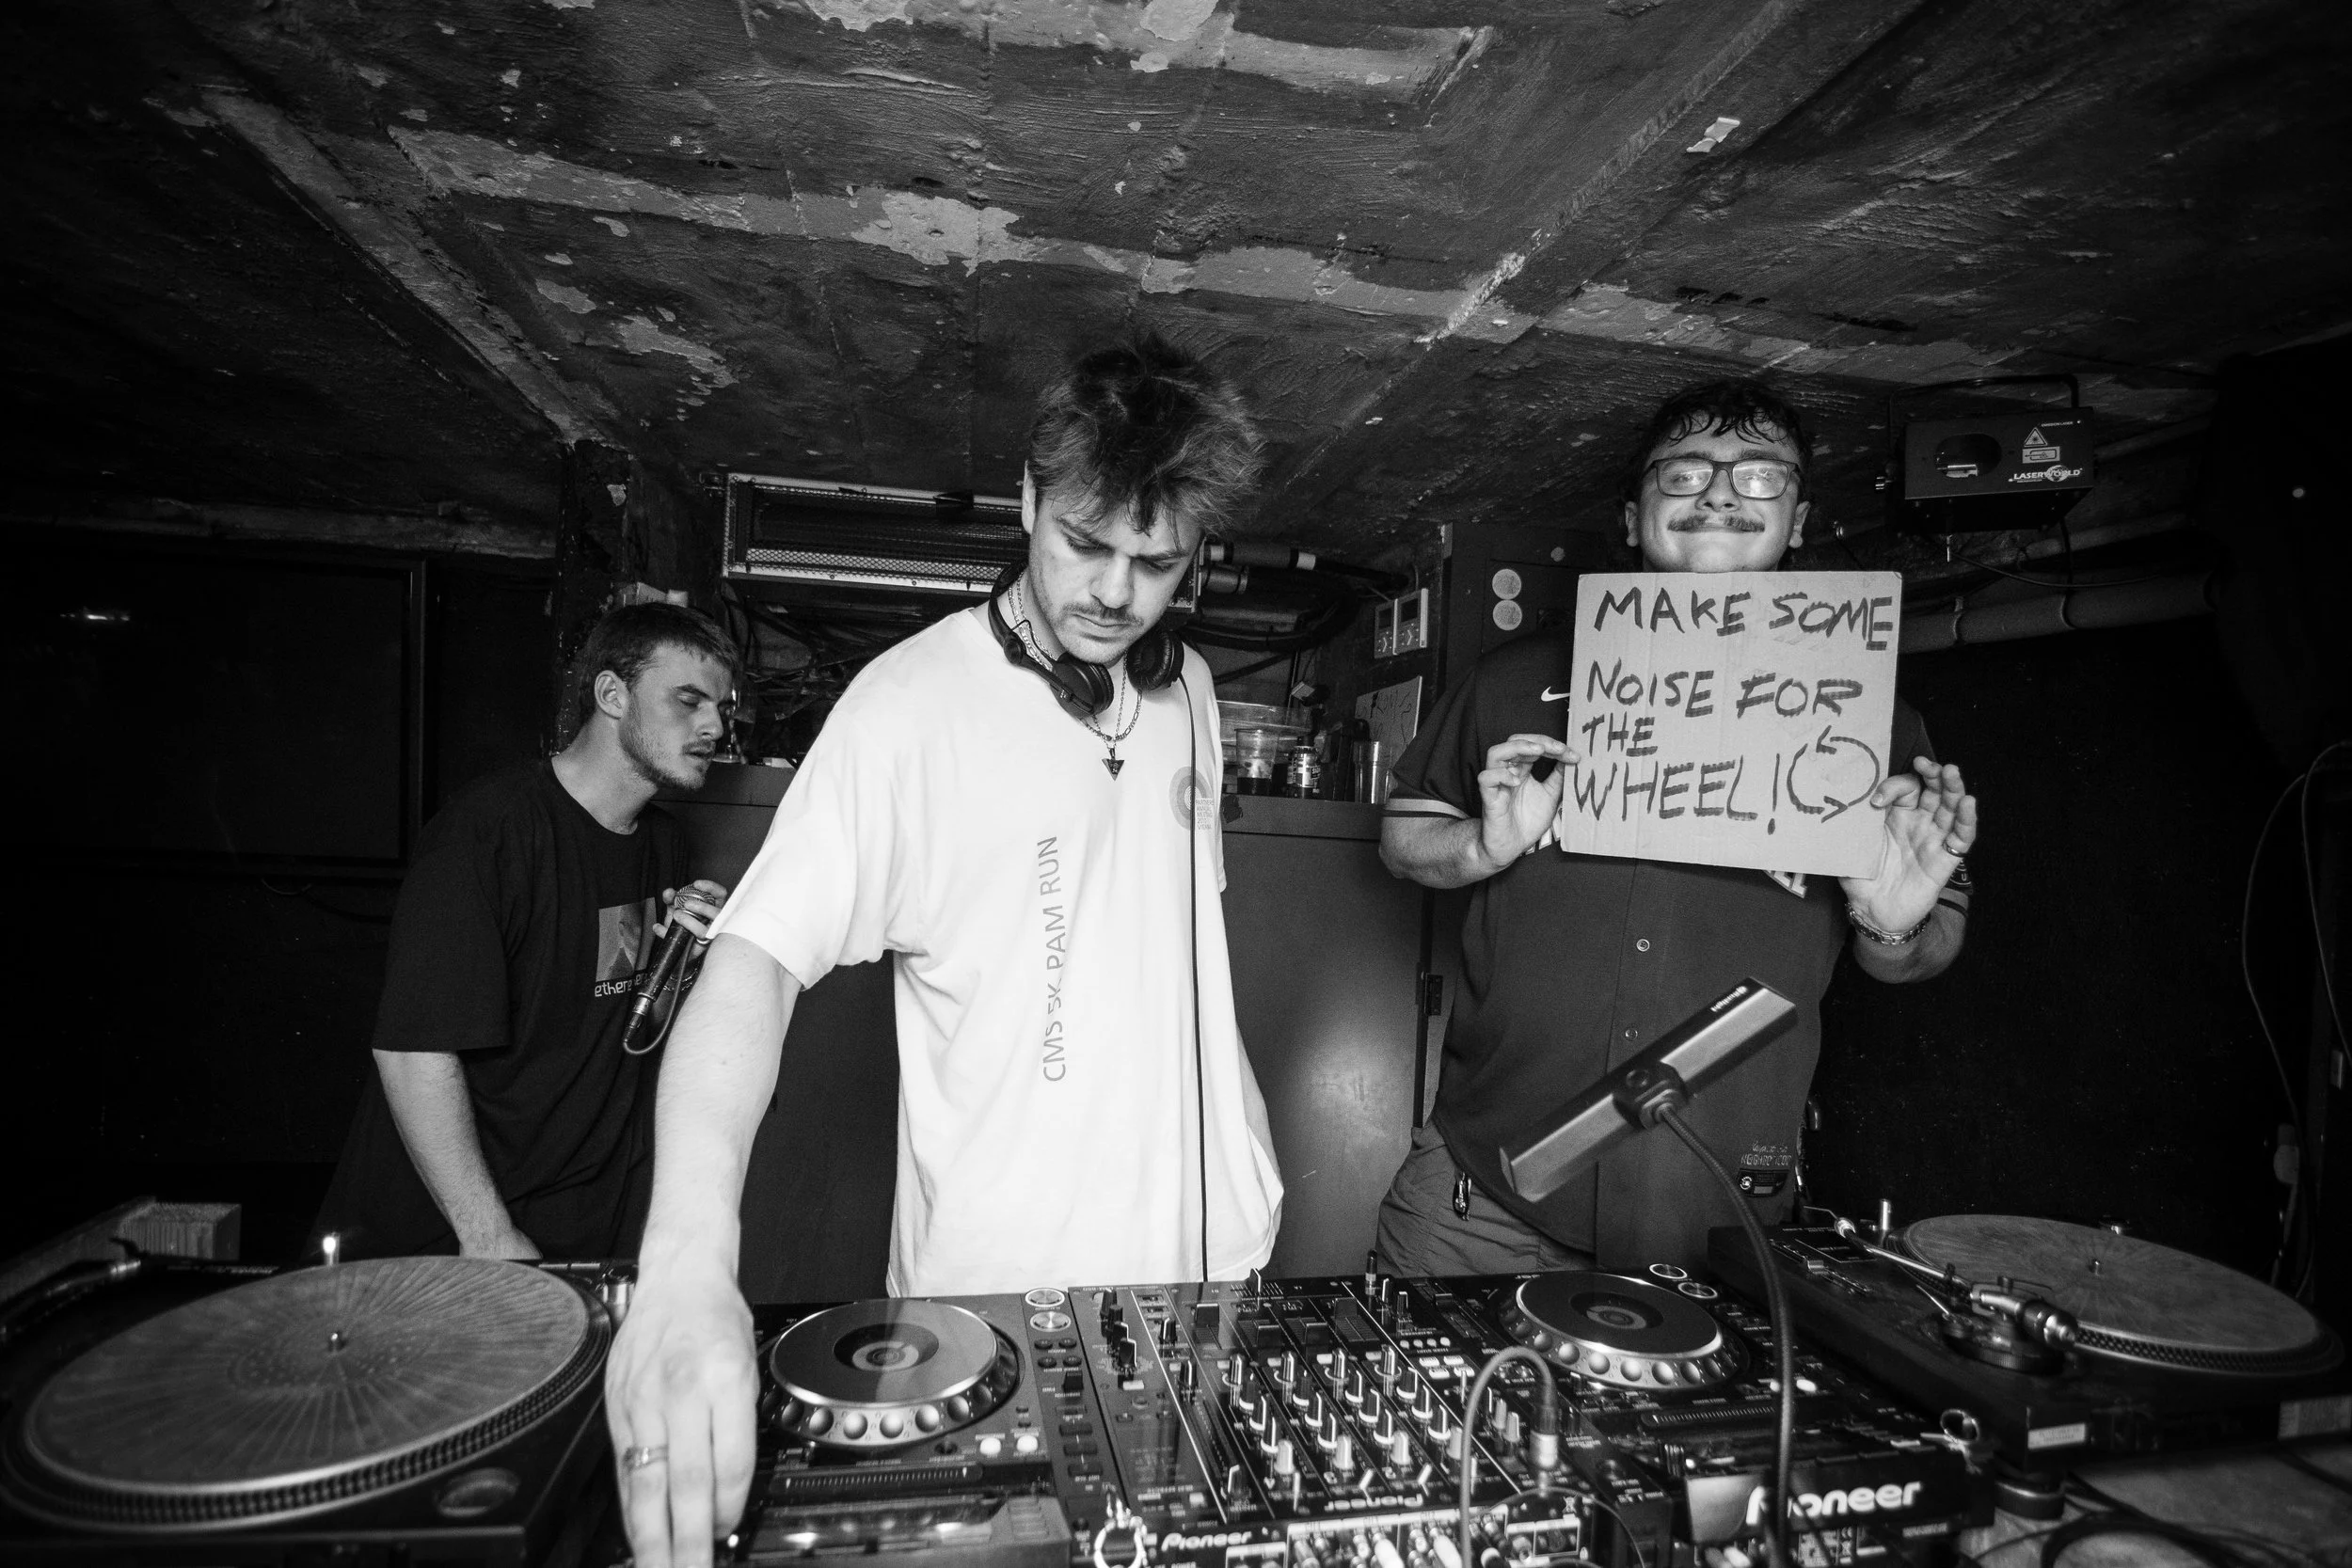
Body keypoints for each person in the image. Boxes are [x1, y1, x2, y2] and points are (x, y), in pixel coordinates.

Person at [604, 335, 1282, 1568]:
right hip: (996, 1319)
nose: (1116, 594)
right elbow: (752, 963)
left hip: (1206, 1290)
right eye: (1084, 543)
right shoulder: (908, 708)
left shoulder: (1186, 691)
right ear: (1027, 499)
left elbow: (1180, 934)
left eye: (1157, 563)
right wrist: (687, 1261)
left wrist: (1249, 1167)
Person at [1374, 379, 1979, 1277]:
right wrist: (1481, 846)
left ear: (1800, 520)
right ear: (1634, 514)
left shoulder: (1875, 722)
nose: (1721, 493)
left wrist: (1890, 923)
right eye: (1686, 472)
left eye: (1760, 476)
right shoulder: (1515, 678)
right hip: (1483, 1202)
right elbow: (1403, 833)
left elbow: (1928, 944)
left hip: (1715, 1224)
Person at [312, 603, 737, 1261]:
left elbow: (616, 1018)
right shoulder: (488, 833)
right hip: (454, 1235)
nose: (714, 726)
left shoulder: (665, 845)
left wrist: (683, 962)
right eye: (689, 700)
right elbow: (413, 1053)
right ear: (612, 695)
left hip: (585, 1222)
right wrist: (487, 1232)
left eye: (721, 708)